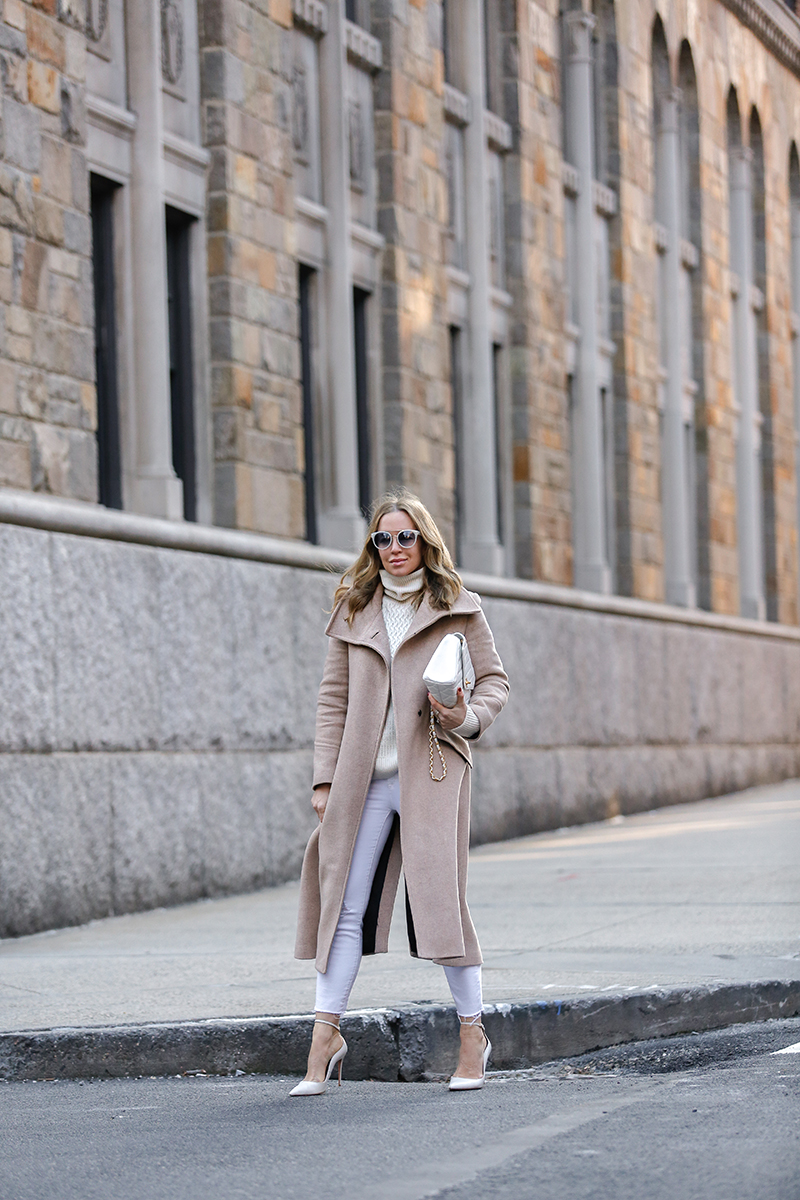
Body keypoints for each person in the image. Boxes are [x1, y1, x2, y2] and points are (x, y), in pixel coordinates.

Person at [291, 490, 509, 1096]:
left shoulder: (457, 607)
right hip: (362, 782)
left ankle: (472, 1035)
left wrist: (465, 717)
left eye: (405, 537)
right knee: (342, 904)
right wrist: (325, 779)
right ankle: (324, 1036)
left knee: (443, 904)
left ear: (425, 541)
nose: (393, 549)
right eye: (382, 539)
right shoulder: (354, 609)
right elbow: (332, 700)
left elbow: (494, 681)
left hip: (434, 770)